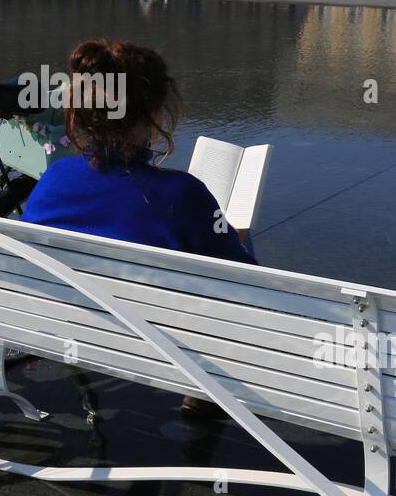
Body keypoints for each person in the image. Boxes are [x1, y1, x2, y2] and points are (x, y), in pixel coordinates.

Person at [21, 40, 257, 417]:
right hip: (158, 342)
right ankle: (203, 388)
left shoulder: (54, 179)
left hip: (72, 328)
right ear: (154, 113)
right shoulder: (182, 193)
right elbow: (247, 288)